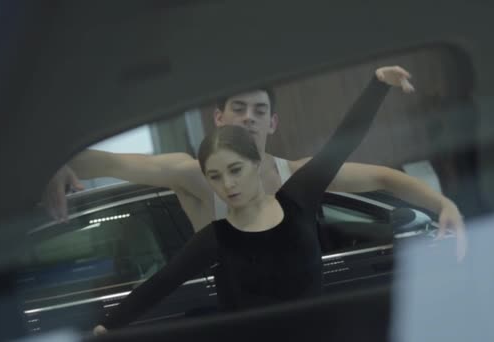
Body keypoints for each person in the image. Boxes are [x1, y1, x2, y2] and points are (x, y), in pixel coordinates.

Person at [92, 66, 412, 336]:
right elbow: (163, 282)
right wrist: (107, 326)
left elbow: (342, 144)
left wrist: (378, 85)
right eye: (215, 177)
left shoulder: (296, 197)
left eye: (235, 171)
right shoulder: (217, 236)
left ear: (255, 166)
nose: (228, 184)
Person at [44, 67, 466, 259]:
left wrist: (444, 205)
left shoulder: (296, 173)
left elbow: (383, 177)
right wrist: (62, 163)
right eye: (239, 108)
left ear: (272, 122)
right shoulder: (191, 173)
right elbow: (112, 162)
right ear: (220, 118)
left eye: (259, 110)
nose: (249, 116)